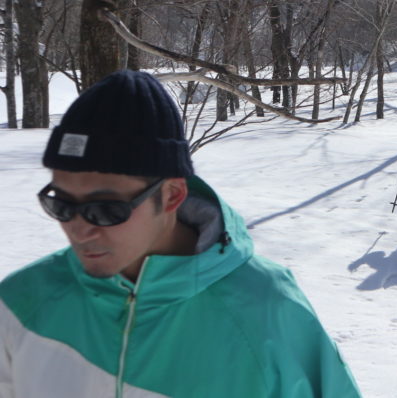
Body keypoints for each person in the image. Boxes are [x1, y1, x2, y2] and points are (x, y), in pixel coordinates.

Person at [0, 70, 361, 397]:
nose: (79, 230)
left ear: (171, 195)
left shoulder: (265, 309)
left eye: (106, 210)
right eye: (61, 205)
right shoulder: (20, 302)